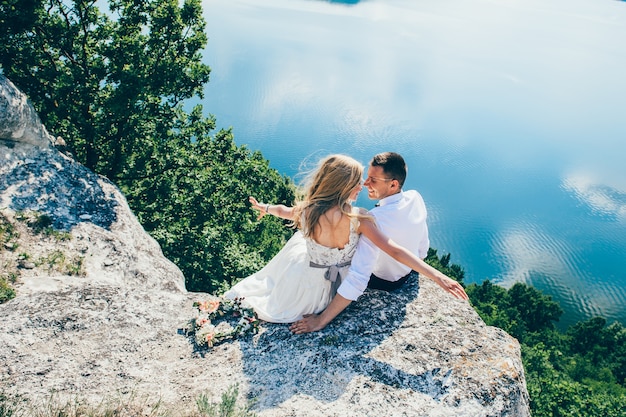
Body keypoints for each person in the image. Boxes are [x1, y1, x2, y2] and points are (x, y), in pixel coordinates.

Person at [224, 153, 467, 325]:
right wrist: (437, 275)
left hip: (307, 276)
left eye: (370, 179)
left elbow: (284, 210)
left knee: (297, 243)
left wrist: (265, 208)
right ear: (343, 187)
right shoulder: (360, 218)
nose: (363, 185)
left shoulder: (309, 210)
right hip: (333, 285)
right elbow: (393, 250)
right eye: (358, 181)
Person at [289, 152, 467, 334]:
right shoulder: (415, 197)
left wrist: (321, 320)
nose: (365, 184)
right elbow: (422, 243)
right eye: (367, 178)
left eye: (373, 179)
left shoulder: (373, 219)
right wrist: (425, 269)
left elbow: (359, 277)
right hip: (407, 273)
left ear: (393, 184)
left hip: (382, 282)